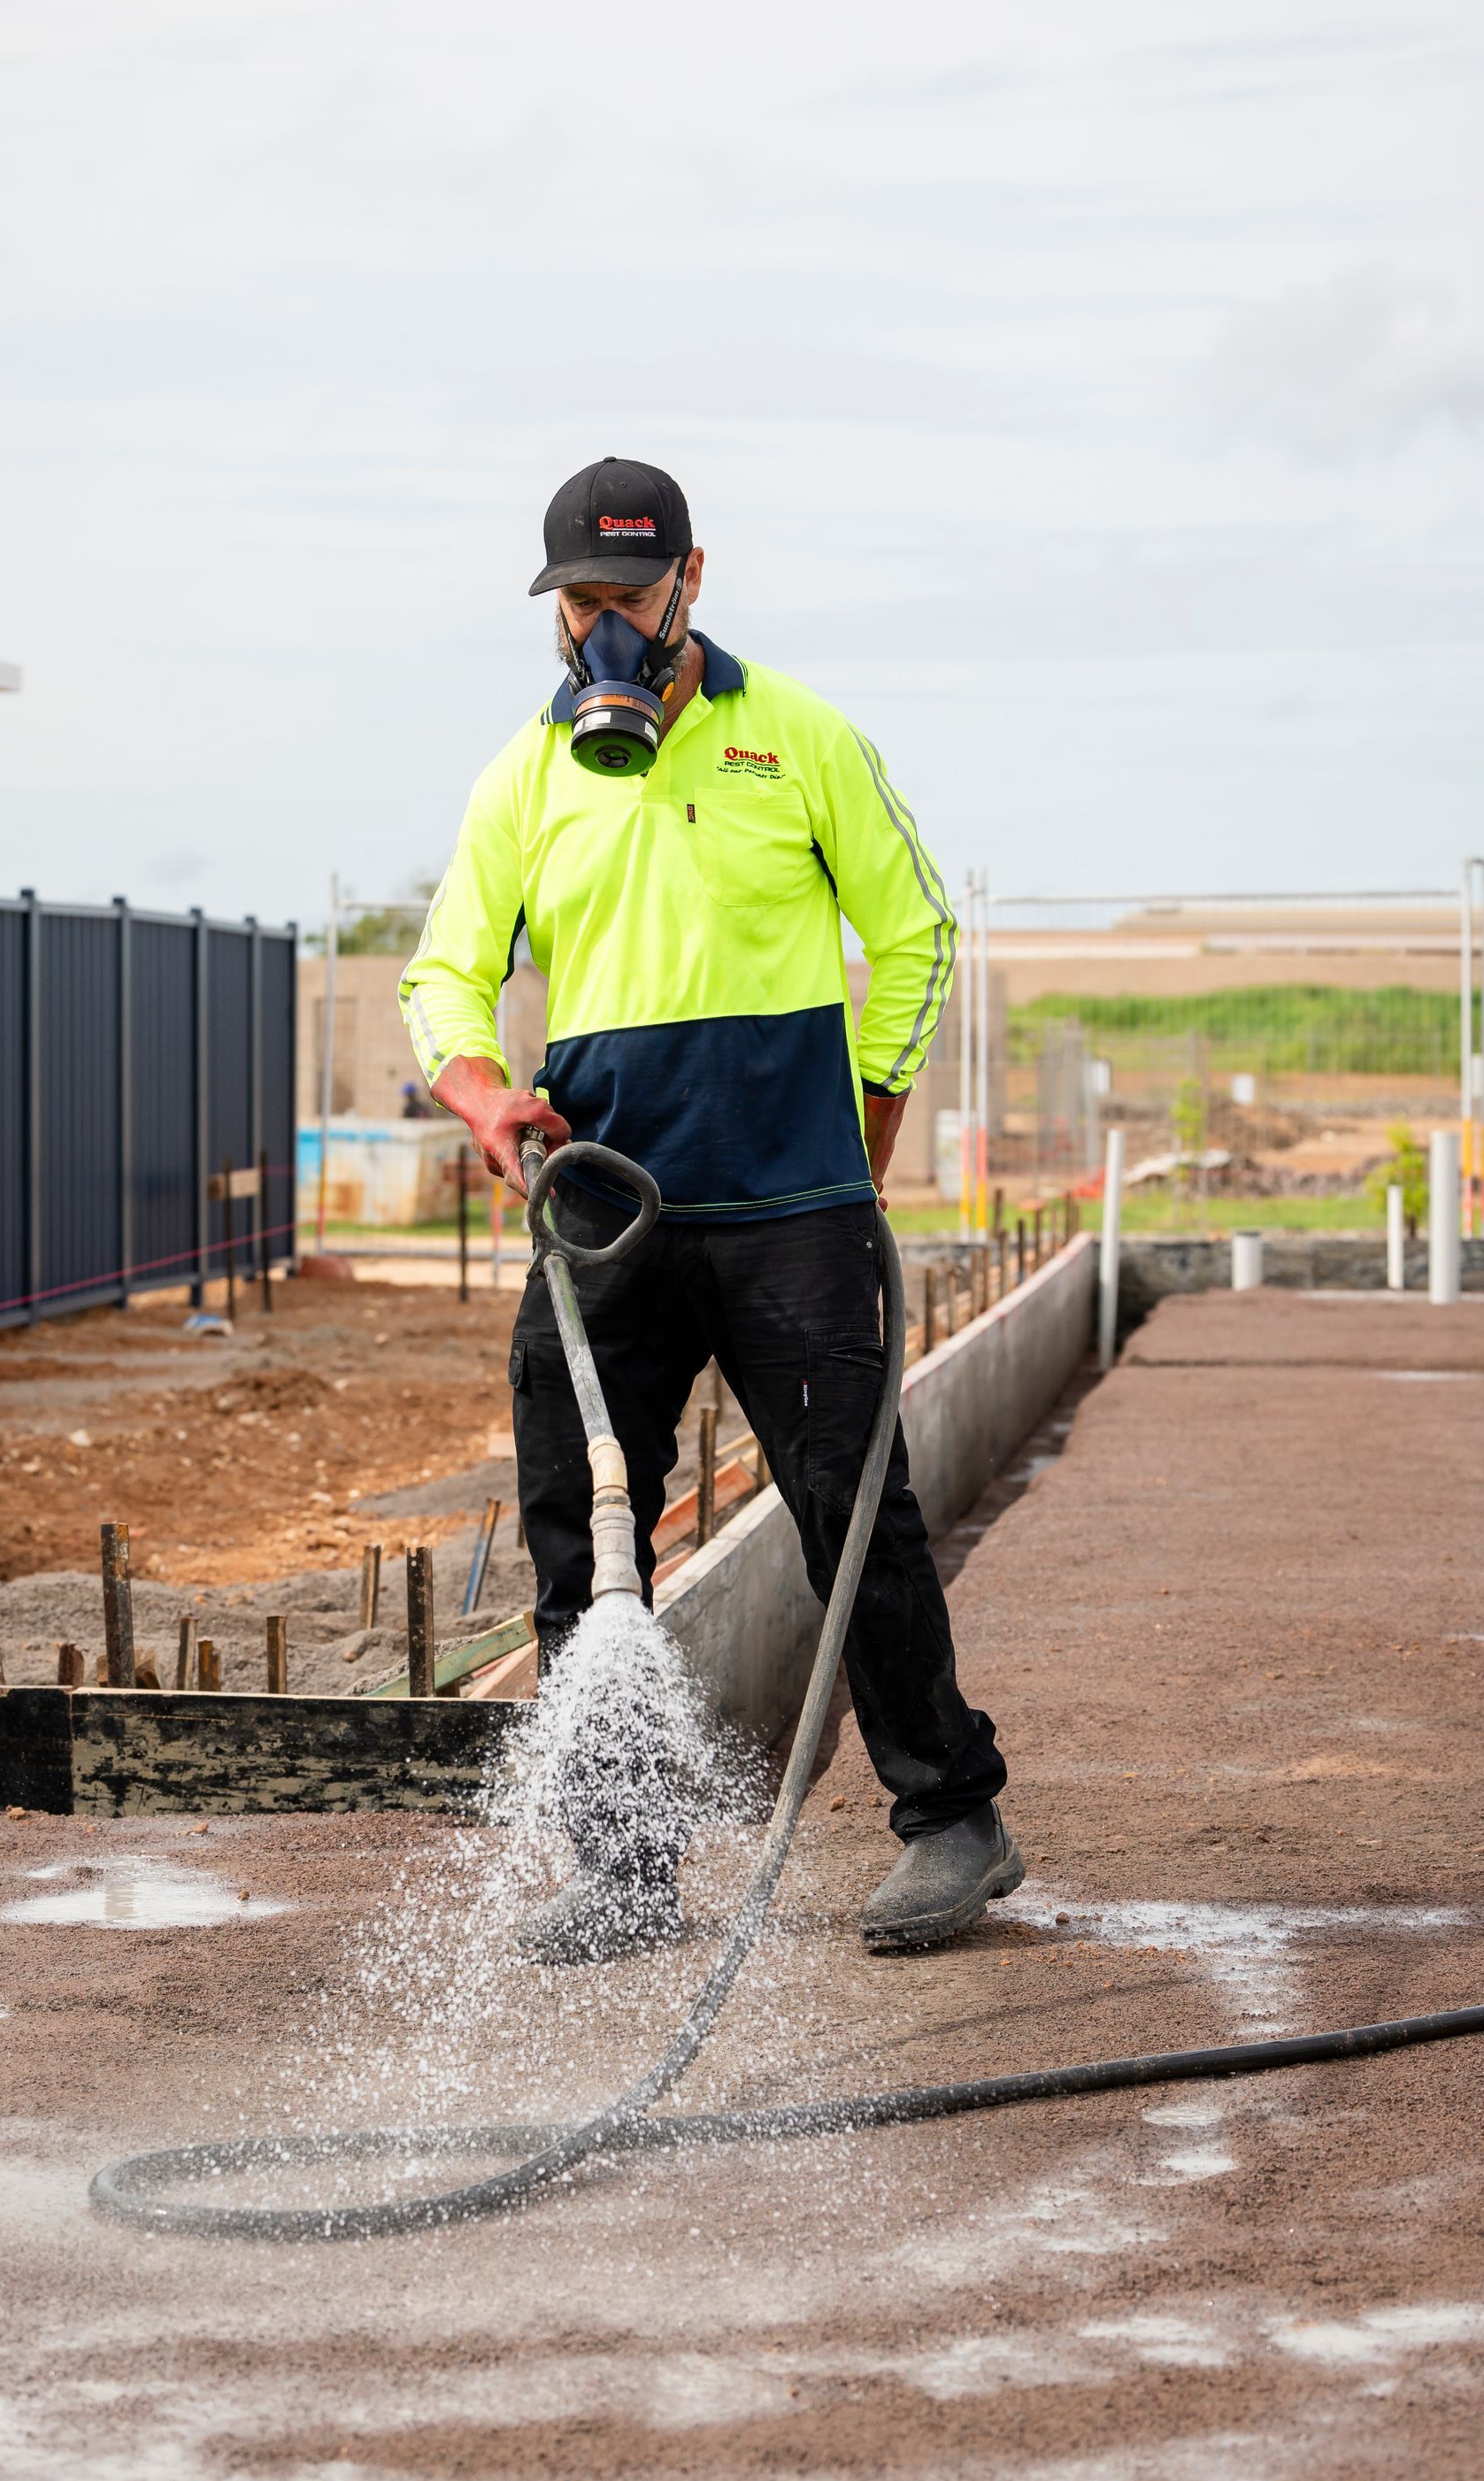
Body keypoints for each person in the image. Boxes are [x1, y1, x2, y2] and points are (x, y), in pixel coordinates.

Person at [399, 455, 1019, 1963]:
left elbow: (916, 929)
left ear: (691, 580)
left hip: (793, 1208)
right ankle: (621, 1870)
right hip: (607, 1213)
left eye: (627, 594)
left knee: (851, 1515)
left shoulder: (795, 737)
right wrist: (481, 1094)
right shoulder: (525, 776)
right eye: (578, 603)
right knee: (586, 1536)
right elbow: (444, 977)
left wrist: (863, 1121)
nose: (601, 626)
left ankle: (953, 1821)